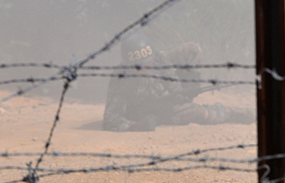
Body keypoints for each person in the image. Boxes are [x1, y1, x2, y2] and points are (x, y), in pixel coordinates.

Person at [103, 32, 254, 132]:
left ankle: (249, 113)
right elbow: (110, 119)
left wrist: (180, 93)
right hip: (145, 113)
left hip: (162, 100)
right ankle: (237, 113)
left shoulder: (157, 59)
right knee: (200, 113)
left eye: (147, 63)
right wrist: (136, 126)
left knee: (192, 50)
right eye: (139, 66)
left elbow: (171, 80)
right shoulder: (121, 80)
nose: (145, 67)